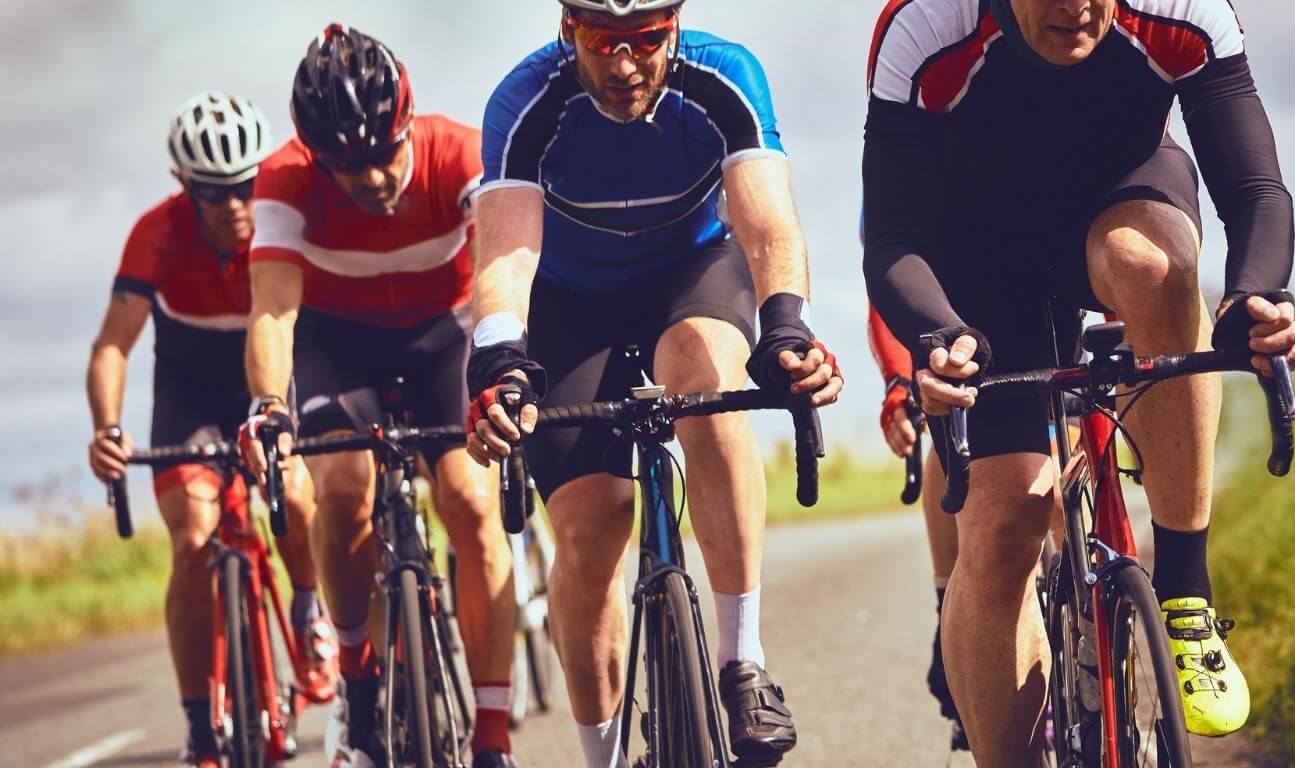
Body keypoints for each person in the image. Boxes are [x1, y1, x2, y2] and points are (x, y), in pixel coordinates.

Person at [863, 0, 1295, 764]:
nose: (1075, 7)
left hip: (1123, 199)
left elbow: (1255, 190)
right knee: (1002, 530)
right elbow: (896, 237)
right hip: (982, 261)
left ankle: (1186, 595)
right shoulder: (930, 26)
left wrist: (1254, 297)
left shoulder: (1182, 11)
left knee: (1154, 265)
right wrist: (936, 338)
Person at [465, 1, 843, 765]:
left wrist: (788, 329)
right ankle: (599, 753)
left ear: (674, 27)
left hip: (690, 273)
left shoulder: (724, 77)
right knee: (591, 525)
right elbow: (504, 257)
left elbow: (767, 222)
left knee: (704, 373)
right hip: (572, 305)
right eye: (605, 40)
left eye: (646, 39)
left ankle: (744, 662)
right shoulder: (526, 100)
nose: (626, 63)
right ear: (569, 29)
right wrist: (499, 361)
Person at [238, 25, 516, 768]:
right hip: (337, 345)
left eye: (385, 155)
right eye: (347, 168)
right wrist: (268, 405)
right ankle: (358, 676)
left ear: (408, 120)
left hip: (440, 336)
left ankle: (492, 732)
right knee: (342, 485)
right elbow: (272, 311)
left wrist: (505, 365)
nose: (373, 180)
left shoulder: (461, 152)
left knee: (472, 501)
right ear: (316, 156)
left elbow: (497, 269)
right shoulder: (285, 179)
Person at [85, 92, 334, 768]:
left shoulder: (284, 224)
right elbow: (113, 345)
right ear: (184, 187)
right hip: (189, 397)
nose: (233, 205)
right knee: (192, 541)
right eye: (212, 192)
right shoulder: (157, 234)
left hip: (272, 384)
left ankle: (310, 606)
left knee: (296, 492)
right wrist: (107, 429)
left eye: (245, 187)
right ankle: (199, 722)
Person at [868, 306, 967, 749]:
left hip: (1067, 314)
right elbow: (886, 301)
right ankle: (949, 608)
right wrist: (898, 381)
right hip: (958, 330)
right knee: (948, 425)